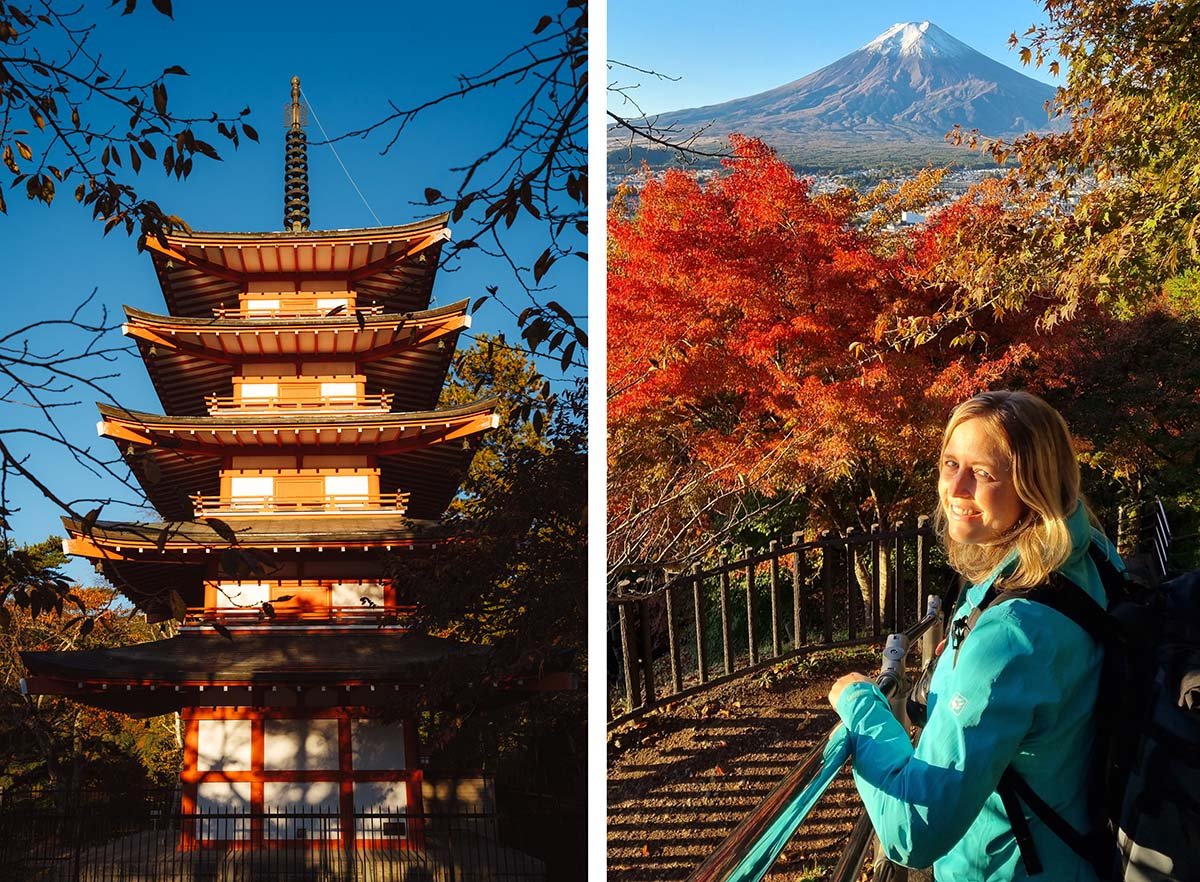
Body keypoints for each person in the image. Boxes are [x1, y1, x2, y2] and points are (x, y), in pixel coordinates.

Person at [827, 390, 1122, 881]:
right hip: (1081, 851)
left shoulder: (1010, 633)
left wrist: (859, 704)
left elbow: (914, 828)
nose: (956, 487)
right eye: (950, 464)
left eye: (983, 473)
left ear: (1034, 484)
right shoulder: (1088, 555)